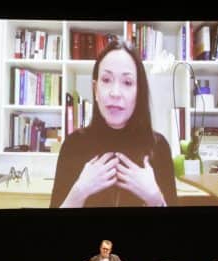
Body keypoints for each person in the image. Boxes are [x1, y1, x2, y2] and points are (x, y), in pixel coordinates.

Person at [51, 39, 176, 209]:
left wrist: (154, 197)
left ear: (139, 91)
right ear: (95, 90)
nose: (115, 93)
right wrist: (79, 191)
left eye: (127, 82)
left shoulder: (158, 147)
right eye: (106, 79)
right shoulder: (73, 145)